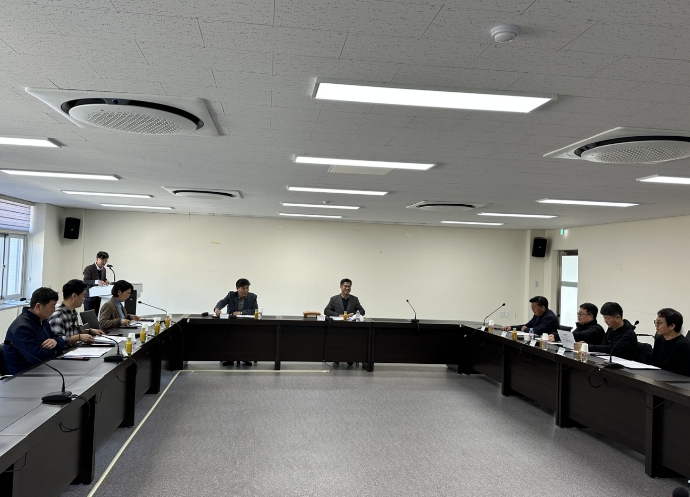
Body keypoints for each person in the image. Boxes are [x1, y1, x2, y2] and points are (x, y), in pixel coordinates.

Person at [3, 287, 68, 375]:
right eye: (52, 306)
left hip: (41, 369)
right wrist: (56, 350)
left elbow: (59, 339)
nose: (54, 310)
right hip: (22, 375)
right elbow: (38, 357)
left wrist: (55, 341)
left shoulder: (42, 321)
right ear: (38, 306)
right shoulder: (22, 328)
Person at [214, 278, 257, 366]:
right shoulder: (231, 295)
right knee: (228, 337)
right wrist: (217, 309)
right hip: (231, 323)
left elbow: (254, 310)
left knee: (247, 337)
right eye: (243, 288)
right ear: (237, 288)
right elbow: (222, 302)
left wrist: (241, 312)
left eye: (247, 288)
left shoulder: (252, 297)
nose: (246, 291)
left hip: (246, 324)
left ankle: (246, 358)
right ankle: (229, 358)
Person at [49, 279, 105, 346]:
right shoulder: (58, 316)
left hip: (74, 349)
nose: (84, 298)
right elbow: (56, 340)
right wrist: (79, 337)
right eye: (83, 295)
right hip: (64, 352)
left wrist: (90, 331)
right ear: (74, 296)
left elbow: (76, 331)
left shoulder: (73, 312)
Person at [650, 308, 690, 376]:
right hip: (657, 377)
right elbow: (653, 362)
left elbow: (686, 371)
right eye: (656, 322)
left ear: (672, 326)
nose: (656, 325)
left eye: (659, 323)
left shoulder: (683, 345)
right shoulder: (659, 340)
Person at [83, 251, 110, 315]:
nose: (104, 262)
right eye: (102, 260)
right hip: (89, 297)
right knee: (88, 317)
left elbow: (103, 279)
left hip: (98, 297)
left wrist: (106, 281)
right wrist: (97, 281)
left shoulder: (104, 269)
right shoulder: (89, 268)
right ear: (97, 259)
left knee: (95, 316)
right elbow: (85, 281)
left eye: (106, 260)